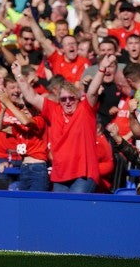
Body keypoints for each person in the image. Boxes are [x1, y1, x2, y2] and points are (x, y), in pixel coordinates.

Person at [11, 54, 117, 193]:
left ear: (78, 98)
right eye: (63, 99)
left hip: (83, 174)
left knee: (75, 209)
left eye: (71, 98)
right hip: (60, 174)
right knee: (61, 212)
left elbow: (92, 91)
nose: (67, 101)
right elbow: (31, 96)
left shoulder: (85, 110)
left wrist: (102, 68)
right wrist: (19, 75)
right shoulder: (53, 110)